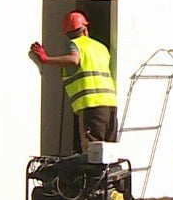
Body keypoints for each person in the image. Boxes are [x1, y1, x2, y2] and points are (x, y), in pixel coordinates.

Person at [29, 11, 118, 151]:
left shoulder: (74, 44)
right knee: (109, 151)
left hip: (91, 106)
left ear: (68, 33)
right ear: (85, 29)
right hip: (110, 105)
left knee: (91, 151)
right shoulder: (101, 47)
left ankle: (92, 174)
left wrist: (46, 60)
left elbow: (74, 59)